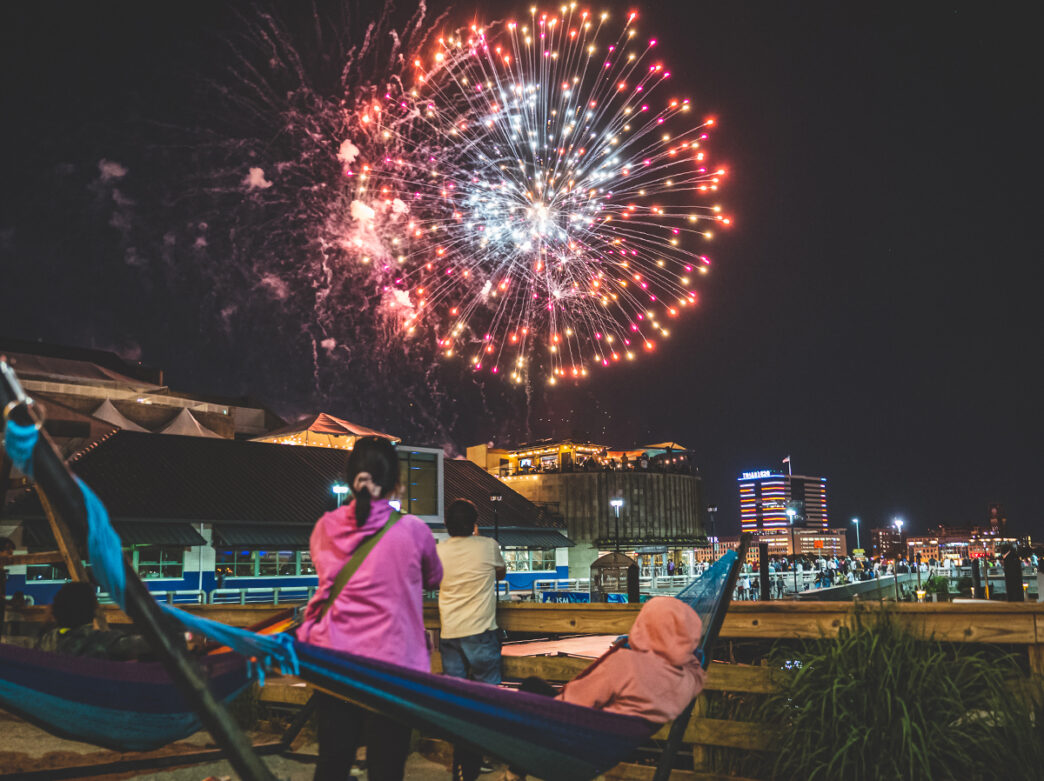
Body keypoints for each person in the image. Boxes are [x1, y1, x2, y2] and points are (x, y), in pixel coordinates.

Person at [297, 436, 443, 781]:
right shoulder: (413, 530)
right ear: (396, 483)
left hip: (334, 660)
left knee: (332, 759)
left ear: (350, 480)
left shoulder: (325, 528)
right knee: (387, 766)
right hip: (393, 666)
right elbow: (434, 577)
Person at [436, 499, 507, 781]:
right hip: (480, 632)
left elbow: (431, 579)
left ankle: (460, 765)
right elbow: (501, 572)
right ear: (474, 523)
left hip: (450, 633)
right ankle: (482, 757)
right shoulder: (488, 546)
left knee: (457, 702)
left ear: (447, 526)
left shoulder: (439, 550)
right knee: (486, 699)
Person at [36, 582, 151, 660]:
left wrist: (44, 626)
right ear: (93, 609)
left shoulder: (46, 642)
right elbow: (153, 645)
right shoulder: (103, 642)